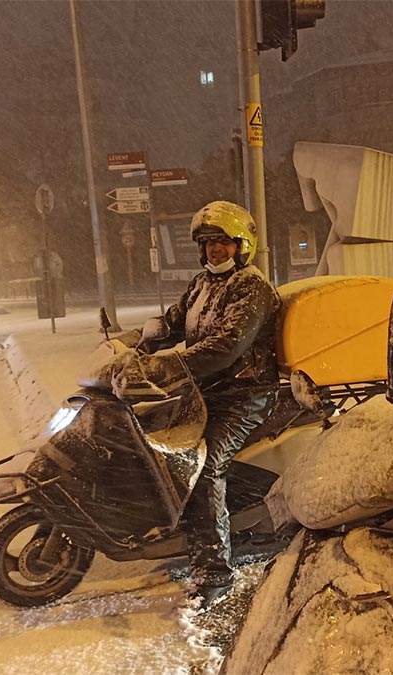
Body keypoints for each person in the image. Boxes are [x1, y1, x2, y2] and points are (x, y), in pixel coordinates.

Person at [110, 201, 281, 609]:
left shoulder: (251, 288)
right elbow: (170, 324)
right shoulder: (202, 284)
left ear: (242, 246)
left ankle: (215, 573)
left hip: (247, 395)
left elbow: (224, 348)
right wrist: (131, 343)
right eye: (207, 243)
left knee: (204, 467)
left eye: (222, 242)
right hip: (208, 391)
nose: (214, 250)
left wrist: (165, 364)